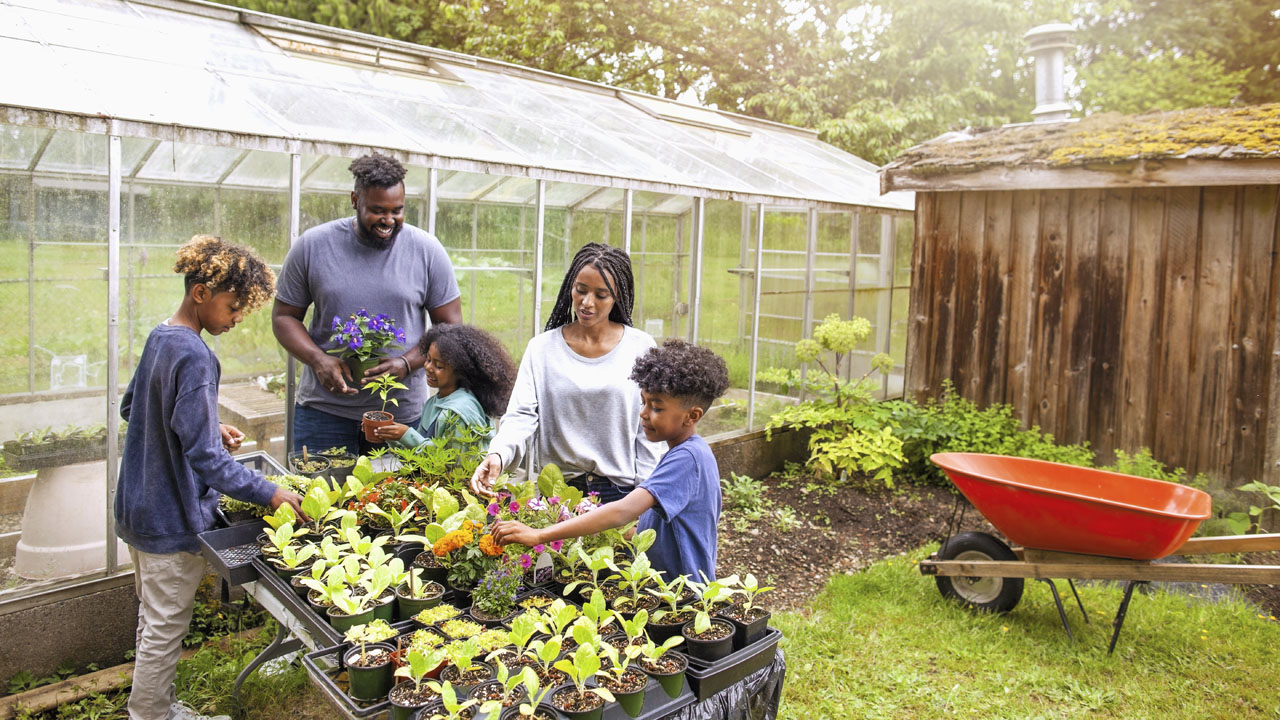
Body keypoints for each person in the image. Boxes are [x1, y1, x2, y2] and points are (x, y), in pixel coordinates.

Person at [115, 235, 305, 720]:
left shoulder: (162, 337)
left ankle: (153, 704)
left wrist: (207, 422)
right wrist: (271, 492)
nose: (238, 317)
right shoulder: (197, 356)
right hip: (170, 515)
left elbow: (132, 407)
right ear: (201, 294)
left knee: (153, 618)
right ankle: (151, 715)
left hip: (137, 506)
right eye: (233, 306)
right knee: (164, 626)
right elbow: (205, 460)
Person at [492, 339, 730, 582]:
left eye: (656, 408)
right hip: (666, 591)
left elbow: (622, 511)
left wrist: (540, 534)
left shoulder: (688, 458)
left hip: (683, 594)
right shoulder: (684, 452)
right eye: (643, 402)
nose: (644, 413)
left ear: (692, 415)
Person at [273, 153, 462, 455]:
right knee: (318, 499)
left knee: (396, 500)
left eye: (397, 210)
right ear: (354, 199)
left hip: (400, 417)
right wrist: (318, 359)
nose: (388, 220)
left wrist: (406, 363)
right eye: (377, 210)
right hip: (324, 413)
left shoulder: (426, 251)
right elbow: (284, 317)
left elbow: (450, 327)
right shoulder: (313, 246)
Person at [469, 242, 664, 503]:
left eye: (601, 295)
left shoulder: (640, 347)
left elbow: (649, 428)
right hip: (558, 493)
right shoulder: (542, 349)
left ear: (618, 296)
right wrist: (498, 455)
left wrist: (646, 497)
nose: (586, 303)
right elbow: (521, 416)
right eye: (580, 290)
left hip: (620, 494)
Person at [375, 323, 516, 449]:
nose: (428, 367)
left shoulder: (460, 412)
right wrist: (393, 437)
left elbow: (453, 464)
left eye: (439, 366)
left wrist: (407, 435)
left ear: (460, 371)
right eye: (428, 360)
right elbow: (418, 456)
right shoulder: (433, 403)